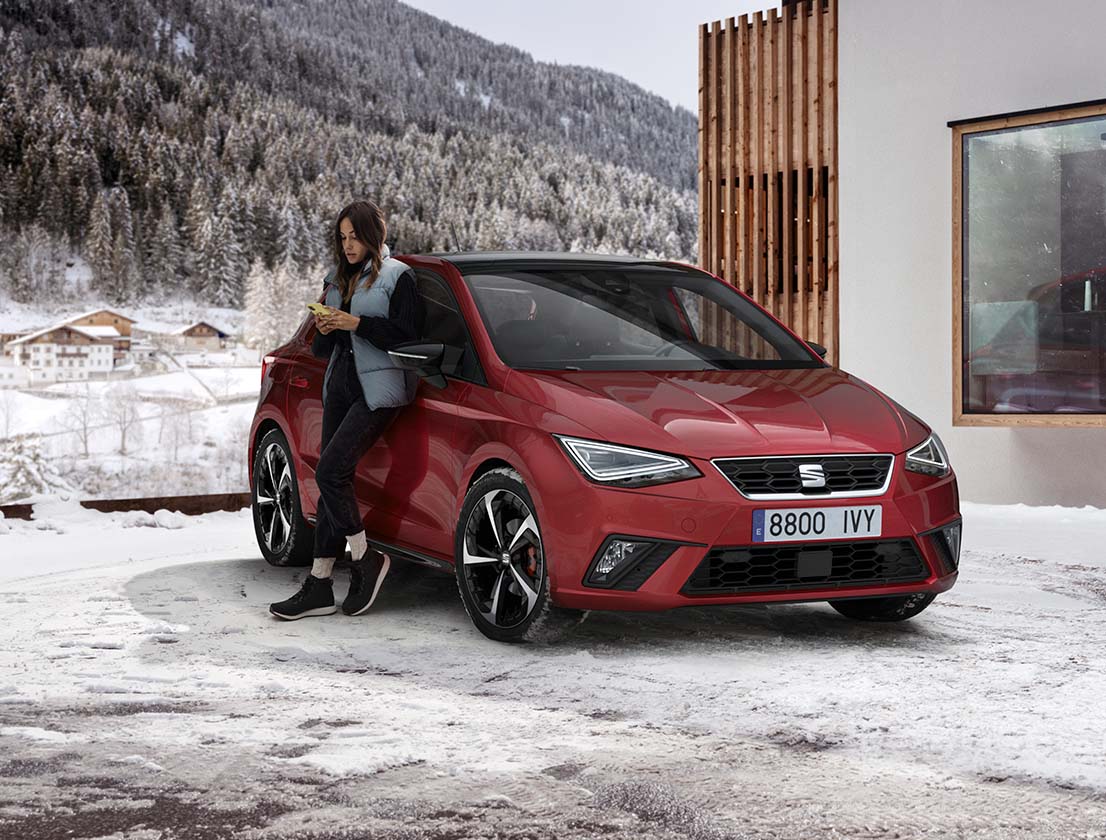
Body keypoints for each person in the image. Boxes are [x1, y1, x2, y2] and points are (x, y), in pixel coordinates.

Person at [269, 199, 425, 620]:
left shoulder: (398, 277)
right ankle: (320, 584)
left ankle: (366, 558)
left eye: (355, 236)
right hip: (338, 384)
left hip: (379, 389)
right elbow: (325, 348)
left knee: (329, 472)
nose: (348, 245)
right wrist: (325, 327)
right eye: (342, 237)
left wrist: (355, 323)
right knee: (332, 484)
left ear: (376, 235)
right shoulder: (336, 279)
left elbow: (407, 337)